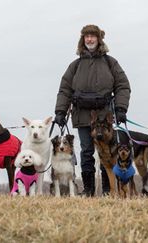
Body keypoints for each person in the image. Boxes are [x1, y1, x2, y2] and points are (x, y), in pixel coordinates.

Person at [54, 24, 131, 196]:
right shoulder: (75, 66)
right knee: (86, 151)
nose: (89, 39)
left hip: (104, 116)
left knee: (107, 153)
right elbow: (65, 89)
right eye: (86, 36)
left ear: (99, 39)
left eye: (92, 36)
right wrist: (60, 111)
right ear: (83, 39)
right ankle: (88, 190)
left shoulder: (110, 63)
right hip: (82, 115)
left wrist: (120, 108)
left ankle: (106, 190)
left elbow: (123, 86)